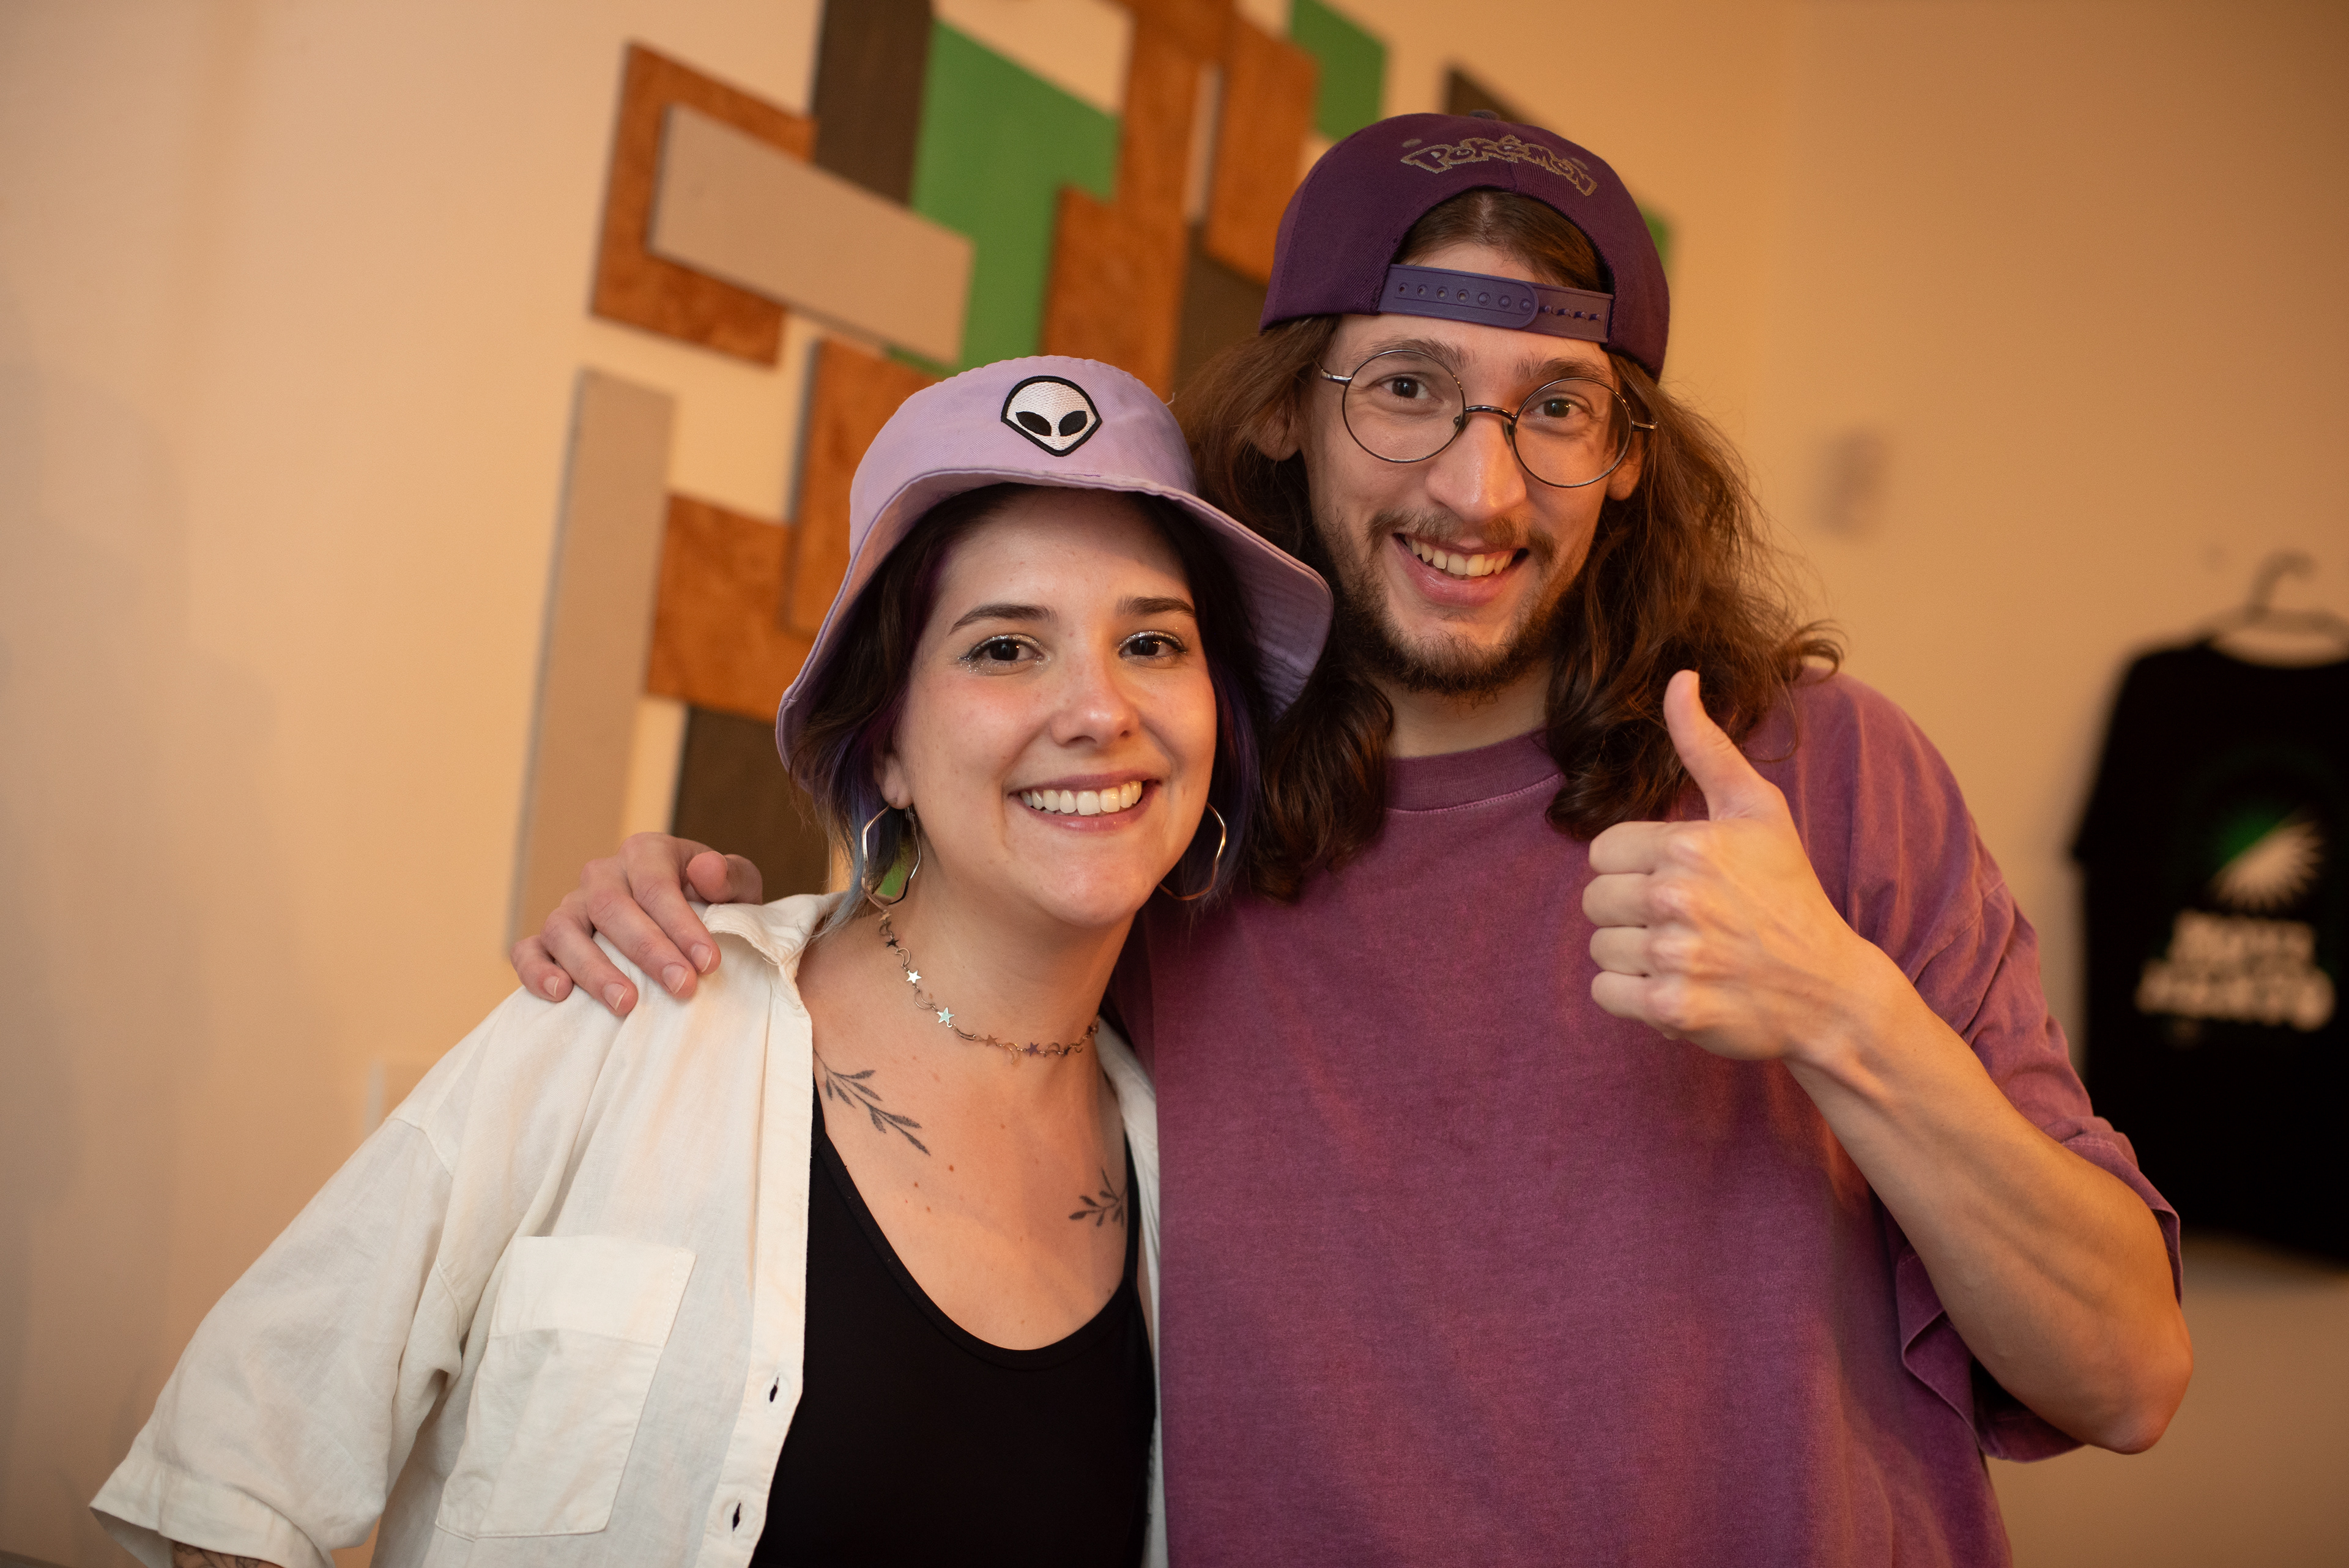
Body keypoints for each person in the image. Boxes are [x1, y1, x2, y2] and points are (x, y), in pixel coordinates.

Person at [517, 116, 2192, 1564]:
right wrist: (691, 923)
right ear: (1283, 417)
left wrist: (1842, 1012)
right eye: (1407, 389)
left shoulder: (1821, 775)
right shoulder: (1167, 817)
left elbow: (2123, 1372)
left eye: (1558, 408)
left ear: (1629, 462)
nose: (1481, 490)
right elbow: (915, 962)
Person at [91, 357, 1332, 1568]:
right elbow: (232, 1480)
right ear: (887, 745)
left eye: (1153, 643)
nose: (1100, 711)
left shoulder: (1191, 1176)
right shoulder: (635, 1007)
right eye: (1005, 647)